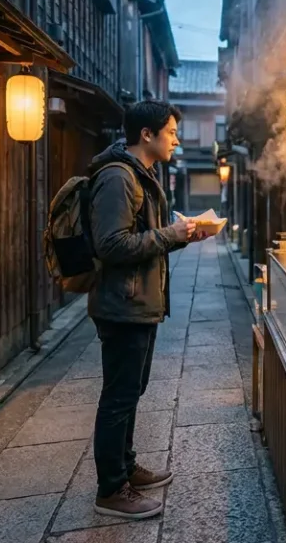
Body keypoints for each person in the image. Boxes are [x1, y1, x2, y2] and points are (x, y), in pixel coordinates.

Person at [88, 101, 208, 519]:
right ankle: (110, 489)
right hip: (122, 305)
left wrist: (180, 236)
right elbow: (111, 245)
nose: (176, 140)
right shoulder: (118, 177)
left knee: (131, 392)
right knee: (119, 396)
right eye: (171, 132)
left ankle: (125, 467)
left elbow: (143, 241)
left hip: (137, 303)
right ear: (147, 134)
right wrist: (169, 234)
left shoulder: (141, 174)